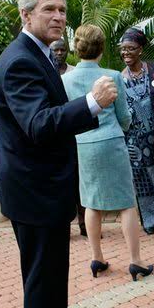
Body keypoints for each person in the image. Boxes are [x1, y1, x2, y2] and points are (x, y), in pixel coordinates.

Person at [0, 0, 118, 308]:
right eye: (49, 9)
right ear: (25, 14)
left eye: (62, 10)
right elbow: (38, 124)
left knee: (49, 289)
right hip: (36, 196)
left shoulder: (37, 54)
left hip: (42, 193)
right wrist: (92, 103)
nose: (59, 16)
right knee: (44, 291)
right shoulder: (20, 61)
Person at [63, 24, 153, 280]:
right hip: (111, 141)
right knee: (126, 203)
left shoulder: (65, 80)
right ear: (101, 48)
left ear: (76, 48)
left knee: (91, 202)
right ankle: (135, 261)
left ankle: (97, 258)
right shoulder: (113, 76)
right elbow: (124, 117)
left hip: (83, 145)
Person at [119, 27, 154, 235]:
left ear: (140, 50)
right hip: (134, 139)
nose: (126, 53)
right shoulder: (119, 78)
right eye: (123, 49)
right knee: (142, 180)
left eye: (130, 48)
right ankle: (151, 221)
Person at [50, 38, 87, 237]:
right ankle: (63, 227)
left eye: (62, 50)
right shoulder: (45, 71)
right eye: (55, 50)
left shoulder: (74, 73)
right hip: (55, 133)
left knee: (79, 183)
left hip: (75, 132)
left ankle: (84, 225)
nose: (59, 53)